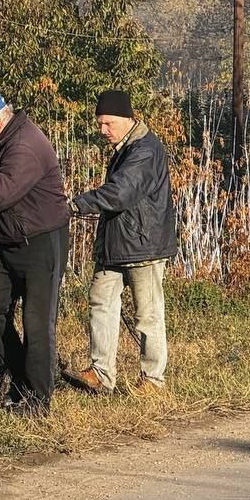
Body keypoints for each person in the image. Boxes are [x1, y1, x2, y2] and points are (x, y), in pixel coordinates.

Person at [0, 92, 70, 416]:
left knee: (36, 325)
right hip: (7, 242)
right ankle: (23, 380)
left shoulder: (23, 146)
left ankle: (37, 402)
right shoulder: (3, 143)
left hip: (41, 244)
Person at [71, 89, 177, 395]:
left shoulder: (144, 150)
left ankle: (152, 381)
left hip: (144, 245)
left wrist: (76, 204)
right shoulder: (124, 146)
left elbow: (120, 193)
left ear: (127, 119)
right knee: (100, 303)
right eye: (100, 123)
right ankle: (101, 374)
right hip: (115, 244)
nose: (102, 130)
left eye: (108, 123)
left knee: (147, 314)